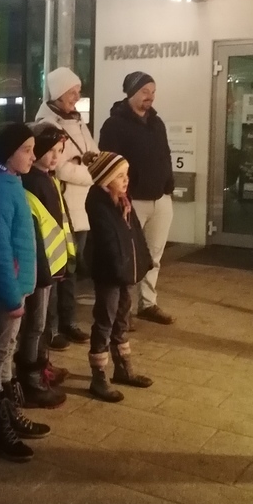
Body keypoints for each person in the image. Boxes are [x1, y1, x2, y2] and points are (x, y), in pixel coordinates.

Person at [0, 123, 49, 462]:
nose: (33, 156)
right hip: (3, 293)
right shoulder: (0, 191)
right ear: (8, 153)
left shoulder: (10, 183)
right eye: (26, 150)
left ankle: (10, 414)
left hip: (14, 290)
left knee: (5, 353)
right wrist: (10, 296)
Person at [98, 71, 176, 325]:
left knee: (154, 256)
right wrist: (120, 195)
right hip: (132, 200)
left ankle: (148, 303)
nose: (150, 97)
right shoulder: (114, 125)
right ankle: (125, 310)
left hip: (160, 199)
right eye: (144, 91)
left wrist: (168, 183)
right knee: (129, 256)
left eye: (153, 92)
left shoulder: (157, 123)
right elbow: (108, 164)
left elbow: (165, 154)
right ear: (131, 92)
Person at [84, 152, 154, 403]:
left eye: (126, 175)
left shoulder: (123, 201)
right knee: (105, 319)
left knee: (123, 317)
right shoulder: (98, 202)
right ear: (105, 179)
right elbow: (109, 242)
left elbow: (135, 236)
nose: (126, 180)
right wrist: (120, 268)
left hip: (125, 272)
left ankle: (123, 367)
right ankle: (99, 376)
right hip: (110, 273)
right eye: (120, 176)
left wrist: (143, 261)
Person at [35, 67, 95, 349]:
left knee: (71, 268)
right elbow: (58, 166)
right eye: (73, 91)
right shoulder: (47, 124)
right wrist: (91, 174)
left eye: (78, 90)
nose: (77, 96)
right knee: (56, 270)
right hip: (61, 206)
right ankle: (51, 328)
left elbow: (93, 155)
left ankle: (68, 322)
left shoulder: (78, 121)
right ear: (58, 93)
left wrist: (84, 166)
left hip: (81, 206)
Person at [17, 123, 75, 409]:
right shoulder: (33, 182)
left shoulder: (47, 179)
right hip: (40, 267)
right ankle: (31, 380)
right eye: (50, 150)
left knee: (42, 322)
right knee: (35, 324)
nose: (55, 157)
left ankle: (41, 367)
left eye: (59, 151)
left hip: (49, 265)